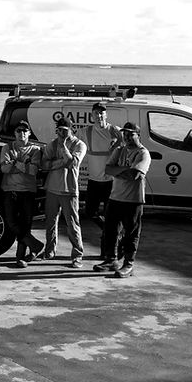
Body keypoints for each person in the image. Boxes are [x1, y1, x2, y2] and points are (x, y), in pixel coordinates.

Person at [94, 121, 151, 278]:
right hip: (115, 197)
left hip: (133, 200)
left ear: (138, 135)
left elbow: (135, 175)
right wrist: (125, 169)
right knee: (110, 230)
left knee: (131, 233)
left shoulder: (143, 153)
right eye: (124, 134)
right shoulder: (119, 150)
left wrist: (118, 171)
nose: (126, 137)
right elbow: (107, 169)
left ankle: (128, 264)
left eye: (130, 134)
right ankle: (111, 260)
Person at [41, 117, 87, 268]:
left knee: (72, 223)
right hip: (52, 189)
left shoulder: (79, 145)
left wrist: (63, 148)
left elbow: (72, 162)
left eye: (64, 130)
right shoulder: (51, 145)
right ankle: (50, 250)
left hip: (70, 190)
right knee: (50, 222)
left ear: (71, 130)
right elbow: (45, 165)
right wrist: (59, 162)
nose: (61, 133)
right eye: (59, 130)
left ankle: (77, 254)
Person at [0, 120, 45, 268]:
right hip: (10, 190)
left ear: (29, 133)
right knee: (11, 222)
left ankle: (19, 258)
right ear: (15, 133)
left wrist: (15, 163)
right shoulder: (7, 147)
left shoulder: (35, 150)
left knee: (25, 225)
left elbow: (33, 171)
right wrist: (25, 164)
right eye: (19, 131)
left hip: (28, 191)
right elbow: (4, 169)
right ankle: (35, 244)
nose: (22, 133)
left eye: (25, 131)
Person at [79, 103, 122, 250]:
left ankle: (108, 251)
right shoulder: (86, 131)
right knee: (89, 212)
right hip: (93, 181)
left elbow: (130, 143)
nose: (99, 116)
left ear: (106, 115)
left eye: (102, 113)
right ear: (92, 116)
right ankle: (108, 230)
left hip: (110, 182)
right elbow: (70, 138)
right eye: (96, 113)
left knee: (112, 216)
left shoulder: (115, 131)